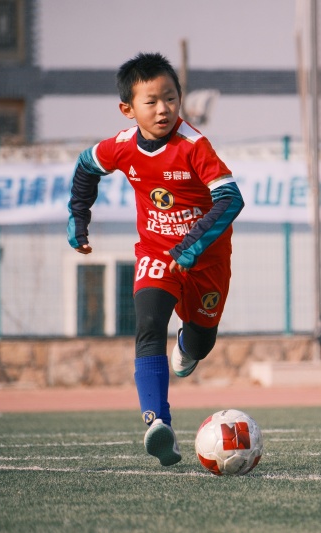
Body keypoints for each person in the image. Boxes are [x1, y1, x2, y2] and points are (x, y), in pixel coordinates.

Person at [67, 52, 244, 467]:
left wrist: (193, 246)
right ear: (128, 109)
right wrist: (78, 215)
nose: (163, 108)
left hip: (207, 259)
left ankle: (190, 342)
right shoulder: (122, 147)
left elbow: (230, 198)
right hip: (156, 253)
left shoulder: (194, 146)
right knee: (147, 325)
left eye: (170, 98)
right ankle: (157, 424)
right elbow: (85, 166)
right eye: (151, 101)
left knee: (201, 341)